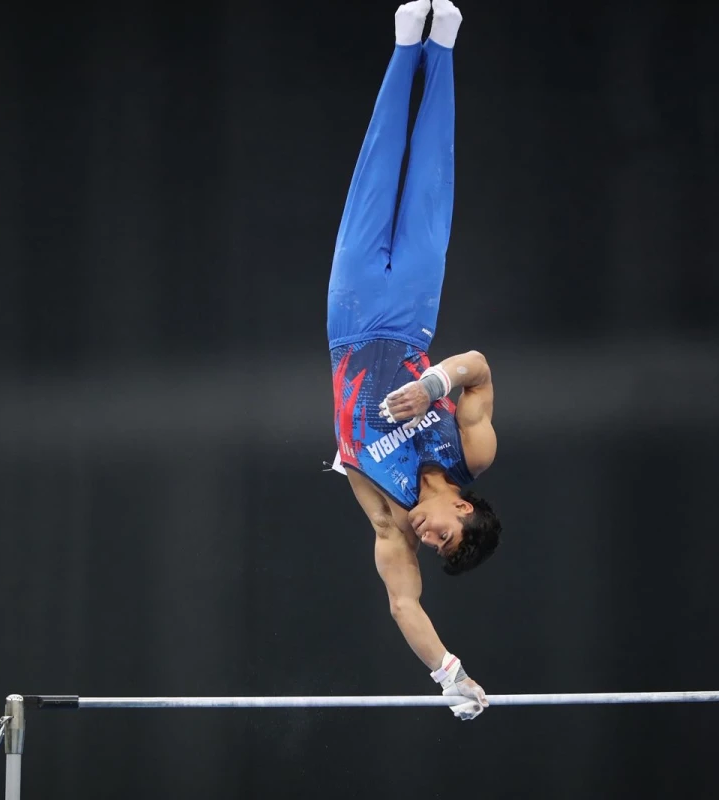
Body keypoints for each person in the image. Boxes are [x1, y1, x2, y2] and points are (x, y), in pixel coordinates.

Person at [326, 0, 500, 721]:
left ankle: (406, 47)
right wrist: (434, 383)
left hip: (350, 317)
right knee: (429, 178)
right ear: (463, 506)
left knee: (375, 171)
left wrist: (449, 674)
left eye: (434, 547)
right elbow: (478, 365)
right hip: (412, 312)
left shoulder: (389, 516)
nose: (427, 539)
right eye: (444, 534)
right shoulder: (473, 454)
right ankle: (443, 49)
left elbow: (404, 603)